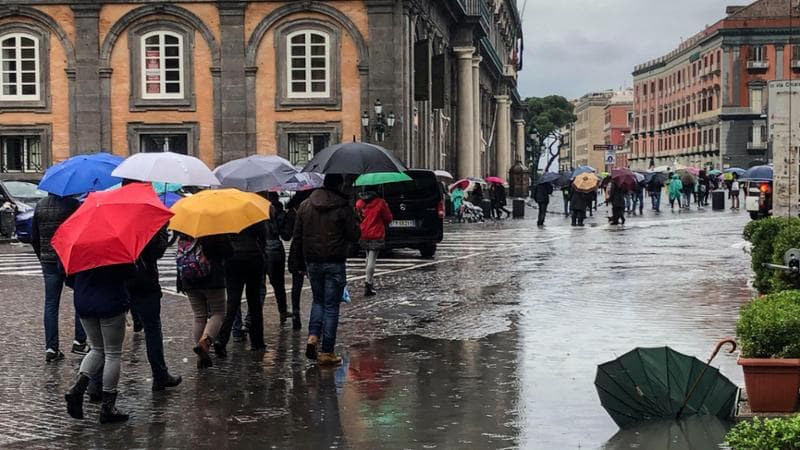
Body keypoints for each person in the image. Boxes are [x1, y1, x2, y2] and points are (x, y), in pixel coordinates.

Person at [293, 174, 360, 366]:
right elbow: (354, 235)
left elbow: (298, 237)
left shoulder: (305, 206)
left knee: (318, 301)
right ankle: (327, 351)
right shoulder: (342, 207)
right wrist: (356, 219)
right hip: (335, 262)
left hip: (312, 262)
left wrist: (298, 264)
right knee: (331, 306)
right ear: (338, 185)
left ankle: (313, 336)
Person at [64, 263, 135, 423]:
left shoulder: (79, 245)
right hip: (111, 301)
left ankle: (78, 389)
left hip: (84, 301)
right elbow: (130, 273)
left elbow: (67, 275)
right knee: (112, 353)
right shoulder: (114, 247)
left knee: (96, 349)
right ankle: (108, 408)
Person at [31, 193, 88, 362]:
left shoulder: (40, 205)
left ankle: (51, 347)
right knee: (80, 297)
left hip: (48, 260)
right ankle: (79, 340)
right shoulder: (72, 205)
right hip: (68, 258)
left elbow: (35, 236)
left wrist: (42, 256)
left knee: (51, 303)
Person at [126, 224, 182, 391]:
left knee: (108, 337)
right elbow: (157, 252)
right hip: (145, 282)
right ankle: (160, 375)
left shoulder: (115, 221)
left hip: (121, 281)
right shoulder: (146, 223)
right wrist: (163, 233)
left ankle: (95, 382)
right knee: (152, 329)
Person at [176, 233, 233, 369]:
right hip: (212, 278)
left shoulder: (184, 232)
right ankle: (206, 341)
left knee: (199, 316)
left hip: (189, 279)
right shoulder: (216, 231)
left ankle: (201, 357)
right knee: (218, 313)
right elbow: (228, 252)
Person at [215, 221, 267, 356]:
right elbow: (262, 235)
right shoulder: (251, 214)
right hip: (253, 257)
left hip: (232, 259)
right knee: (254, 301)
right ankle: (257, 341)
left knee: (232, 303)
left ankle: (221, 339)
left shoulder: (224, 216)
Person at [282, 190, 313, 330]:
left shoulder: (292, 213)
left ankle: (296, 314)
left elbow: (286, 236)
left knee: (297, 286)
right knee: (317, 286)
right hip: (313, 249)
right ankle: (318, 316)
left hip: (297, 251)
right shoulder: (312, 209)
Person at [355, 191, 393, 296]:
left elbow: (357, 217)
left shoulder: (359, 203)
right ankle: (369, 283)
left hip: (363, 233)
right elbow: (388, 218)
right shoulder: (380, 203)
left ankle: (368, 282)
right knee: (372, 259)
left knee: (368, 257)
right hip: (376, 233)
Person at [264, 192, 291, 324]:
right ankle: (282, 310)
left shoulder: (258, 212)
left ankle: (251, 318)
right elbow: (286, 235)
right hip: (276, 250)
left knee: (260, 286)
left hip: (264, 250)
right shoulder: (281, 214)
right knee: (278, 284)